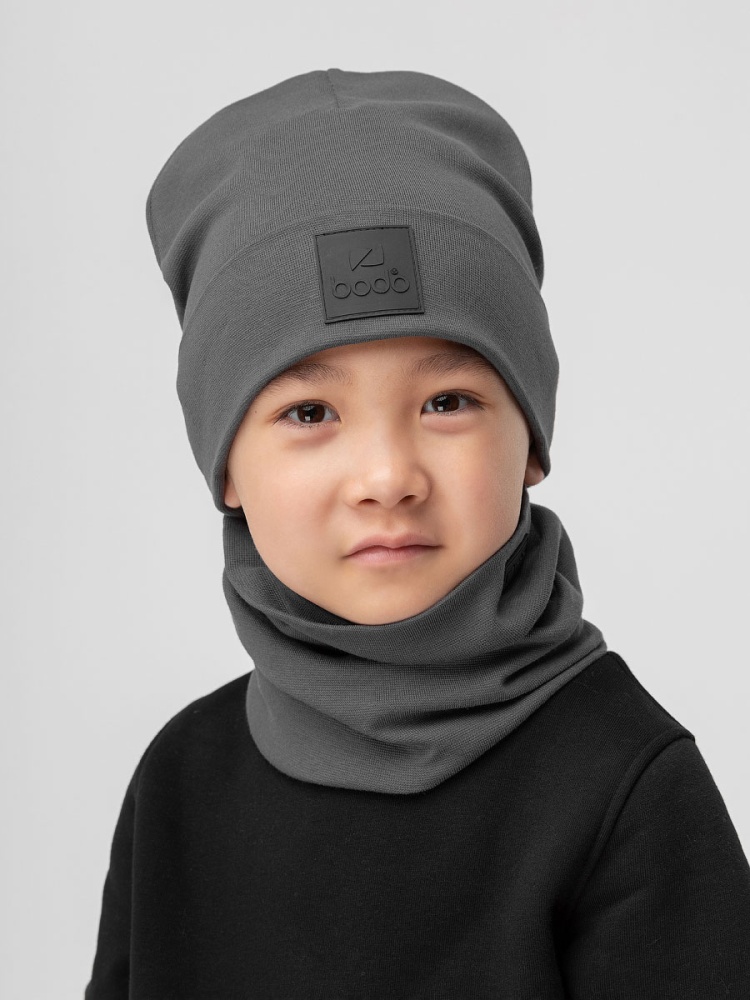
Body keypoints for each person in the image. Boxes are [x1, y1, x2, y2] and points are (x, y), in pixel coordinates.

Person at [84, 68, 750, 998]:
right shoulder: (180, 781)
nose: (388, 476)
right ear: (226, 467)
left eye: (447, 401)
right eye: (310, 413)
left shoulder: (625, 786)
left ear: (531, 441)